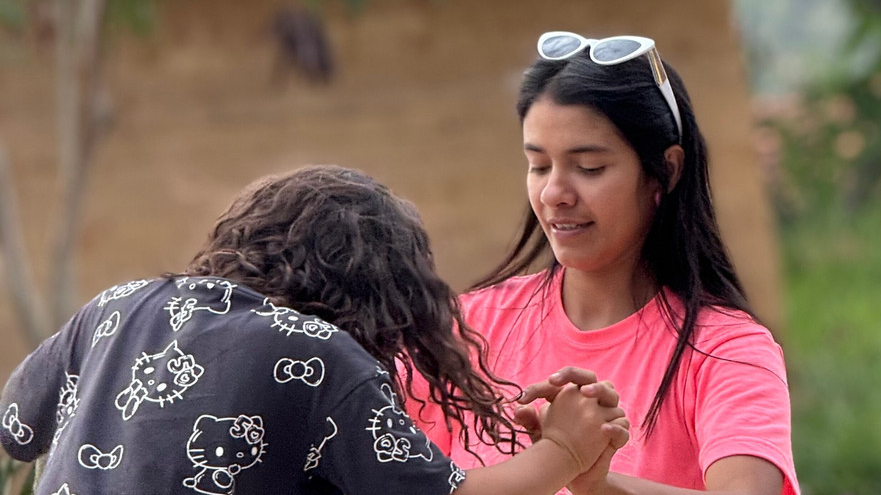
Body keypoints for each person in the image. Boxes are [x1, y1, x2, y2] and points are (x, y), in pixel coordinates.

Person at [0, 165, 628, 495]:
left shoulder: (120, 304)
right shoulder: (317, 356)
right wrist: (565, 451)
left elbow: (16, 428)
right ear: (384, 300)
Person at [414, 32, 799, 495]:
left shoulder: (726, 352)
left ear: (667, 171)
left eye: (589, 167)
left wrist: (596, 482)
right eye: (538, 166)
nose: (555, 193)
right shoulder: (465, 331)